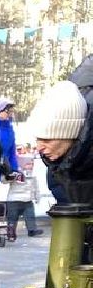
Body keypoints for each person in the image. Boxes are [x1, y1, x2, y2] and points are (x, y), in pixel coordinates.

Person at [27, 67, 93, 205]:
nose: (39, 147)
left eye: (47, 139)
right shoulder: (56, 165)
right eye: (38, 139)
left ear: (71, 133)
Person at [4, 146, 43, 240]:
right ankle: (10, 231)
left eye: (32, 164)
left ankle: (32, 229)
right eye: (29, 164)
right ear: (22, 164)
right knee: (12, 217)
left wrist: (37, 197)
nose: (31, 166)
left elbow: (35, 188)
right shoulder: (15, 174)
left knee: (30, 215)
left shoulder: (33, 176)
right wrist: (9, 177)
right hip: (14, 200)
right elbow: (4, 180)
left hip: (28, 200)